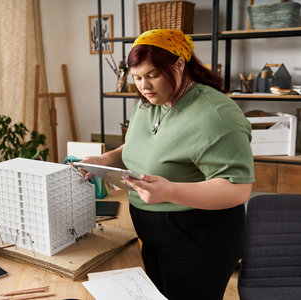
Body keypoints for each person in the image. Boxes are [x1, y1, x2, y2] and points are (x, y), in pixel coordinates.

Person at [79, 29, 254, 300]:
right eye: (137, 77)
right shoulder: (149, 104)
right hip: (155, 234)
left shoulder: (216, 115)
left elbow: (238, 189)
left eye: (152, 75)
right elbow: (141, 146)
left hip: (198, 237)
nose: (144, 86)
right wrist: (104, 160)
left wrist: (170, 191)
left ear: (180, 64)